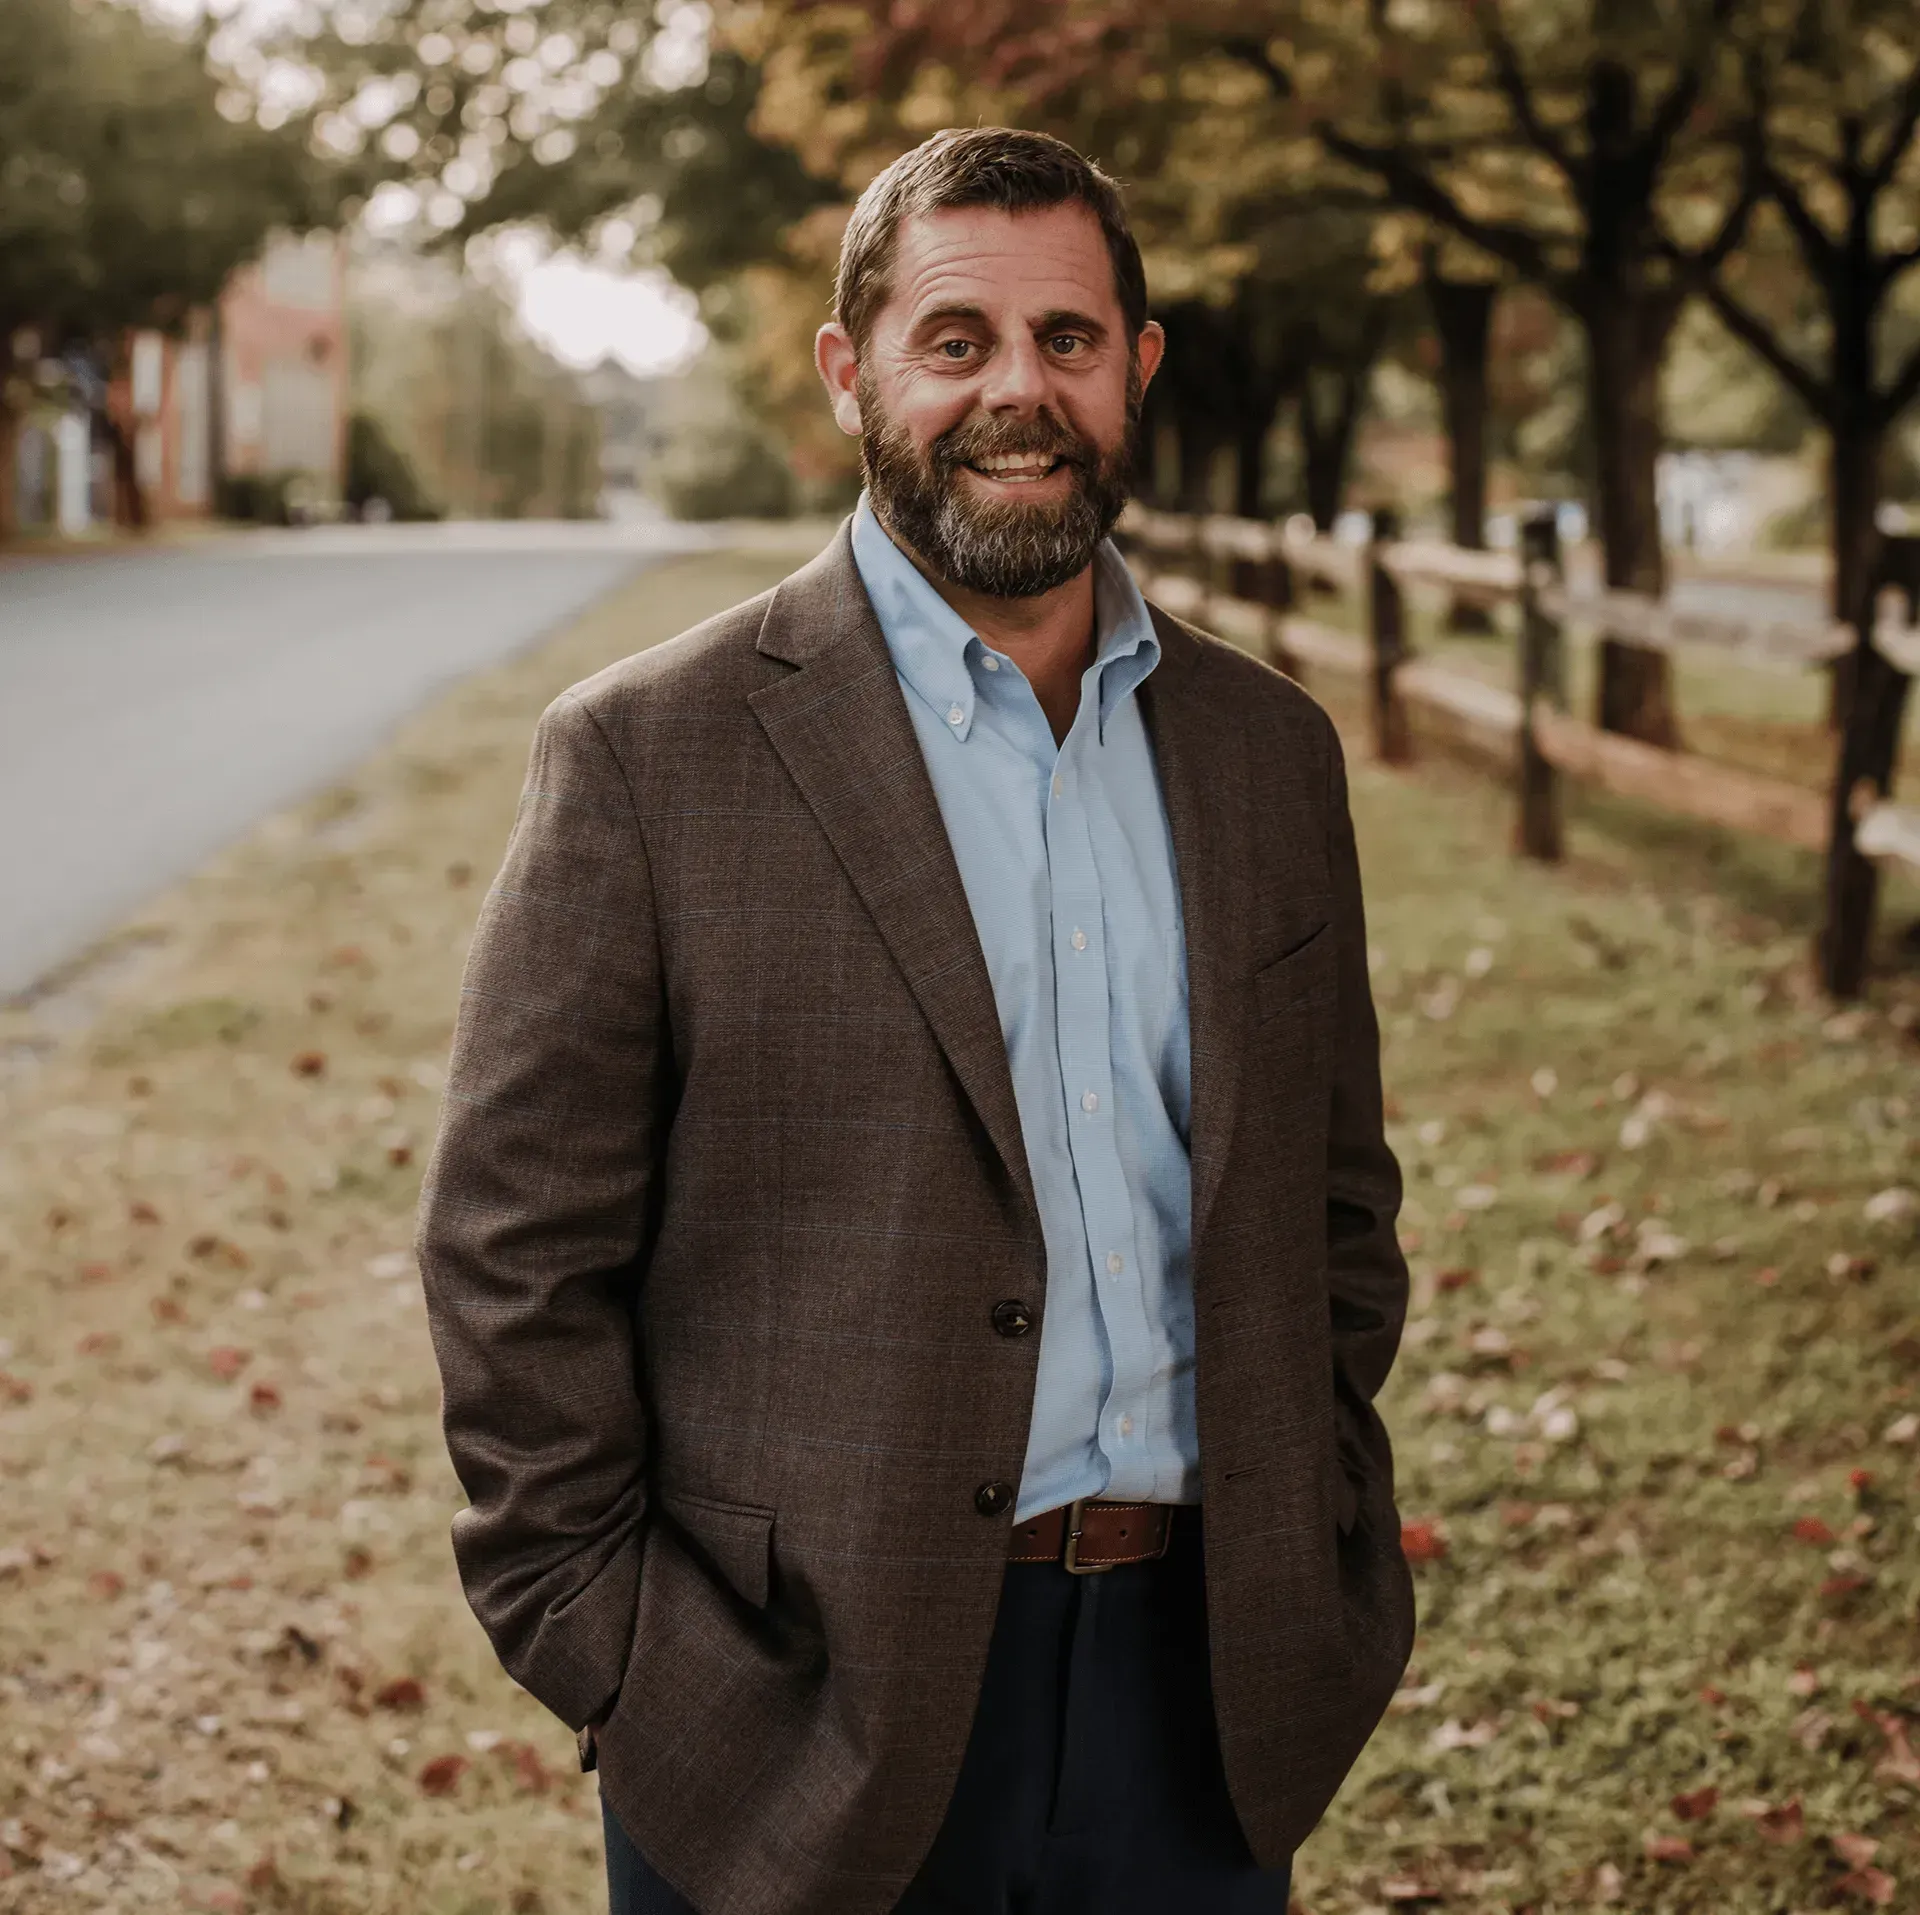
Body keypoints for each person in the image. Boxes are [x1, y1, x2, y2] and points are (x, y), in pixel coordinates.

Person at [415, 125, 1415, 1915]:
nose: (1017, 390)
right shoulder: (654, 754)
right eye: (956, 340)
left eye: (1069, 339)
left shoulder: (1274, 755)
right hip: (789, 1711)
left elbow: (1339, 1206)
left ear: (1136, 367)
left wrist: (1323, 1532)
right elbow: (512, 1252)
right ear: (852, 369)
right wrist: (620, 1656)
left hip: (1211, 1696)